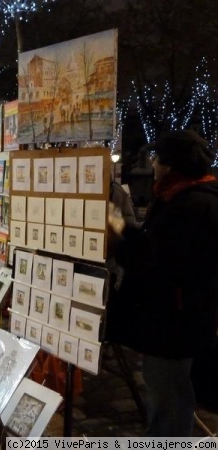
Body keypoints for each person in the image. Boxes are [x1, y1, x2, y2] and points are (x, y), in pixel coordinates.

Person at [106, 130, 218, 437]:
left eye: (157, 159)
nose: (153, 164)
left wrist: (119, 231)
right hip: (181, 322)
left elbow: (152, 262)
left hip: (173, 327)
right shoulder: (190, 199)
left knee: (169, 401)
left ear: (170, 166)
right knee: (172, 396)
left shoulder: (189, 206)